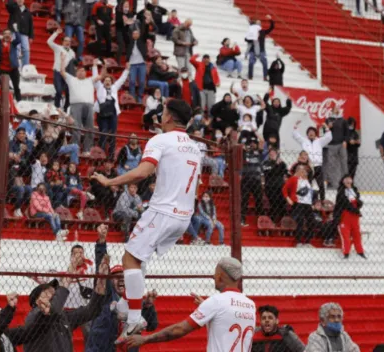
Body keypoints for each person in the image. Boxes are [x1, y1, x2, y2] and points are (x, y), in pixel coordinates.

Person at [94, 99, 202, 343]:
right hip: (185, 216)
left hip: (163, 211)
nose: (159, 115)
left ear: (169, 118)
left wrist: (109, 182)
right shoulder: (195, 147)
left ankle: (133, 320)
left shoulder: (160, 140)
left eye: (162, 112)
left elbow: (143, 172)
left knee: (129, 258)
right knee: (140, 256)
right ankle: (125, 304)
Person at [126, 257, 256, 351]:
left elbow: (180, 329)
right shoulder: (250, 305)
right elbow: (227, 318)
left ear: (220, 276)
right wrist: (208, 307)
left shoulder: (217, 301)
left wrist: (145, 339)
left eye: (215, 273)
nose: (213, 277)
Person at [86, 228, 159, 352]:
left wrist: (148, 306)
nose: (120, 280)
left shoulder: (136, 301)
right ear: (110, 280)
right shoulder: (105, 296)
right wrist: (101, 243)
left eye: (123, 277)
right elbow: (102, 270)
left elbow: (152, 326)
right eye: (116, 277)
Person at [24, 259, 109, 352]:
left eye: (54, 293)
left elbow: (91, 311)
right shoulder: (34, 315)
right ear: (37, 301)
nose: (53, 294)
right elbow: (53, 310)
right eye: (47, 292)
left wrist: (101, 282)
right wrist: (67, 278)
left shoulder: (63, 317)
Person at [61, 55, 103, 155]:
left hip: (89, 106)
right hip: (76, 106)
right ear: (76, 73)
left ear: (85, 73)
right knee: (76, 128)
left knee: (90, 128)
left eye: (83, 70)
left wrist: (101, 66)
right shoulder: (71, 79)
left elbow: (101, 76)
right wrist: (62, 60)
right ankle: (74, 148)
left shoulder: (90, 80)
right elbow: (62, 71)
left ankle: (87, 150)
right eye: (79, 70)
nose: (81, 72)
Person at [94, 63, 130, 159]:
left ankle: (111, 155)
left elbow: (122, 80)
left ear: (111, 82)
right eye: (106, 80)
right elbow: (95, 78)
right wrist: (94, 67)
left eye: (109, 80)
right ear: (103, 82)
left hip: (113, 114)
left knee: (113, 134)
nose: (107, 82)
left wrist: (126, 70)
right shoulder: (99, 87)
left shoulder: (114, 88)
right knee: (104, 133)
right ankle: (101, 154)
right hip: (102, 114)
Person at [293, 120, 332, 201]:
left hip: (318, 166)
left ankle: (322, 200)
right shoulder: (304, 141)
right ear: (307, 134)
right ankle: (308, 201)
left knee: (321, 185)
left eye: (312, 131)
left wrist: (326, 127)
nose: (311, 133)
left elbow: (329, 137)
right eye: (309, 132)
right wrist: (296, 125)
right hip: (308, 167)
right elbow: (295, 135)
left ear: (315, 133)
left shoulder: (320, 141)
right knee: (308, 184)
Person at [63, 244, 95, 341]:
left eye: (81, 253)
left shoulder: (90, 267)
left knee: (89, 334)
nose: (78, 255)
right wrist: (73, 266)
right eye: (75, 253)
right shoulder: (68, 269)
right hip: (69, 309)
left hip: (85, 307)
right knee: (66, 336)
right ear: (71, 256)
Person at [282, 164, 316, 247]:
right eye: (301, 170)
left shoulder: (308, 180)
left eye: (304, 171)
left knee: (311, 222)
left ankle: (308, 241)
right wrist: (288, 199)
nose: (304, 172)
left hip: (307, 204)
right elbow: (284, 189)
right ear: (297, 171)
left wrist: (312, 203)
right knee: (300, 222)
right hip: (298, 203)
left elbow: (310, 193)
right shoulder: (294, 179)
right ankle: (298, 241)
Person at [334, 175, 366, 259]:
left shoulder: (354, 191)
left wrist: (359, 203)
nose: (348, 180)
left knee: (357, 235)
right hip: (345, 216)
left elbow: (357, 202)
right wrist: (354, 208)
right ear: (343, 181)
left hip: (355, 217)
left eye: (350, 179)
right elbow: (344, 203)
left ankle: (360, 251)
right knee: (346, 236)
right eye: (346, 179)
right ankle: (346, 253)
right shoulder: (341, 191)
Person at [48, 28, 76, 111]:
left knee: (69, 93)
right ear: (63, 41)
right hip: (58, 72)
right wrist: (56, 33)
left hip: (68, 74)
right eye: (66, 40)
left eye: (69, 41)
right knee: (59, 91)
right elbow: (49, 42)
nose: (68, 42)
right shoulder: (58, 48)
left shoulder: (72, 52)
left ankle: (66, 108)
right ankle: (56, 107)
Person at [241, 136, 264, 226]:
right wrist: (243, 148)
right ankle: (242, 219)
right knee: (244, 200)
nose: (252, 144)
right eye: (250, 142)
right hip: (246, 179)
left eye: (254, 143)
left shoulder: (260, 153)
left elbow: (262, 141)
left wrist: (255, 133)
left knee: (259, 200)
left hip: (257, 180)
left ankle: (261, 220)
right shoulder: (243, 152)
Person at [325, 108, 349, 188]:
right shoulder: (328, 119)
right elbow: (324, 131)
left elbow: (347, 132)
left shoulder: (343, 120)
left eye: (337, 109)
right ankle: (333, 183)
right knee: (331, 164)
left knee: (343, 163)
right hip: (331, 144)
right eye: (334, 109)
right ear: (331, 111)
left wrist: (345, 141)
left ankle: (345, 183)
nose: (336, 110)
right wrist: (328, 127)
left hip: (341, 144)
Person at [262, 148, 287, 223]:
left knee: (282, 203)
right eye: (270, 153)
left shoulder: (282, 163)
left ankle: (282, 220)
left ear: (277, 154)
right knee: (274, 203)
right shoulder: (266, 163)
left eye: (274, 153)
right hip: (270, 187)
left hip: (280, 186)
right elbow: (269, 173)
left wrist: (278, 166)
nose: (272, 154)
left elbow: (284, 173)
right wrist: (276, 165)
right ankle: (272, 220)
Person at [246, 15, 274, 81]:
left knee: (265, 63)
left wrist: (270, 20)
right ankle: (250, 76)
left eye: (260, 23)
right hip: (253, 50)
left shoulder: (263, 32)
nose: (259, 24)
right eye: (257, 23)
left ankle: (265, 77)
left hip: (261, 50)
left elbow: (271, 28)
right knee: (251, 62)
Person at [6, 0, 34, 66]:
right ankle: (16, 66)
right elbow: (8, 4)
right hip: (14, 32)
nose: (20, 1)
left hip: (24, 34)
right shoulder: (13, 8)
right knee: (16, 49)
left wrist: (31, 36)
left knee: (26, 50)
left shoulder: (28, 12)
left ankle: (25, 66)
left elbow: (31, 25)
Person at [0, 28, 22, 101]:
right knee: (3, 86)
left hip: (13, 68)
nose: (7, 35)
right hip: (2, 68)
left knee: (16, 86)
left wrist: (16, 30)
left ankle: (18, 101)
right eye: (5, 33)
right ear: (3, 35)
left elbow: (19, 40)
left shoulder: (13, 43)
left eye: (9, 34)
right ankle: (3, 100)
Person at [127, 27, 148, 103]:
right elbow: (125, 34)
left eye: (137, 33)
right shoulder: (129, 42)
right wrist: (126, 25)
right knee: (132, 81)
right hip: (132, 64)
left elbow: (146, 33)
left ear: (139, 34)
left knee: (142, 82)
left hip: (142, 64)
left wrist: (147, 24)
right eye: (134, 33)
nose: (135, 34)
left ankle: (139, 96)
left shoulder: (142, 41)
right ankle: (132, 96)